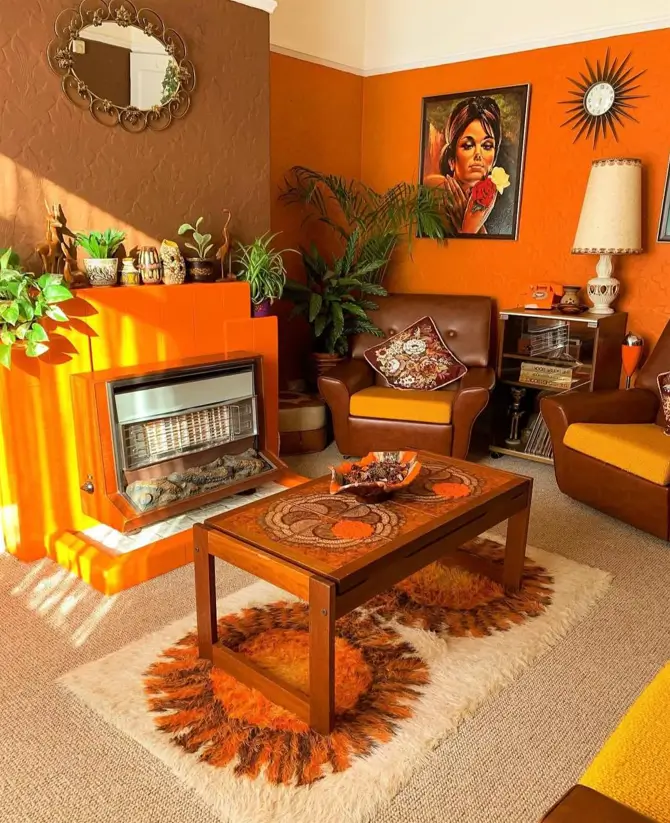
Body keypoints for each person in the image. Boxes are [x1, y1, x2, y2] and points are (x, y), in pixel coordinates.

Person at [425, 96, 502, 235]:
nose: (478, 154)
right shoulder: (436, 187)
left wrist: (467, 228)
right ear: (451, 159)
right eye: (468, 145)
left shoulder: (486, 203)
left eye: (487, 145)